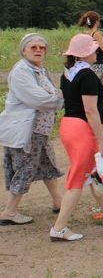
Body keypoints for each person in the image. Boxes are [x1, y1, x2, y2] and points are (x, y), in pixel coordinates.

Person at [51, 34, 103, 242]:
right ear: (85, 53)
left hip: (68, 125)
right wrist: (101, 139)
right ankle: (59, 227)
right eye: (93, 49)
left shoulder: (68, 73)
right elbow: (91, 111)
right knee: (77, 178)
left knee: (94, 172)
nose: (97, 52)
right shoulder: (87, 76)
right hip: (82, 129)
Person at [0, 34, 64, 226]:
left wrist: (54, 96)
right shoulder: (21, 72)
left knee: (47, 165)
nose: (38, 50)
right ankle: (9, 212)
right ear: (24, 50)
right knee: (25, 169)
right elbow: (40, 99)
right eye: (33, 47)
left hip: (39, 131)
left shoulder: (40, 70)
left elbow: (50, 94)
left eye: (42, 47)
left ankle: (58, 201)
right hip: (25, 131)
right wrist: (61, 100)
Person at [78, 11, 103, 82]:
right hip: (97, 67)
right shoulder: (96, 34)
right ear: (96, 22)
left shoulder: (87, 33)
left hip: (89, 65)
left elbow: (98, 50)